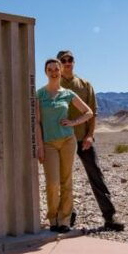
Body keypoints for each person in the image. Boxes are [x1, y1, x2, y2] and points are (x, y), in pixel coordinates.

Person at [56, 50, 125, 231]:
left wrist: (89, 135)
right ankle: (68, 214)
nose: (67, 63)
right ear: (59, 63)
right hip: (63, 140)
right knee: (64, 178)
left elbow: (92, 113)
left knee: (96, 176)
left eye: (70, 59)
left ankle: (110, 216)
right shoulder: (56, 86)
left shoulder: (85, 85)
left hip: (83, 140)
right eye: (63, 60)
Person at [36, 58, 93, 233]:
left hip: (68, 141)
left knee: (66, 181)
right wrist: (39, 145)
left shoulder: (67, 94)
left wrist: (73, 122)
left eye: (56, 69)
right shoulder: (39, 94)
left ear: (60, 71)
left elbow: (88, 112)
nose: (53, 72)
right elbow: (37, 122)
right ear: (45, 72)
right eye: (50, 69)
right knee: (52, 182)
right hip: (49, 143)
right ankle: (53, 217)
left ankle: (65, 220)